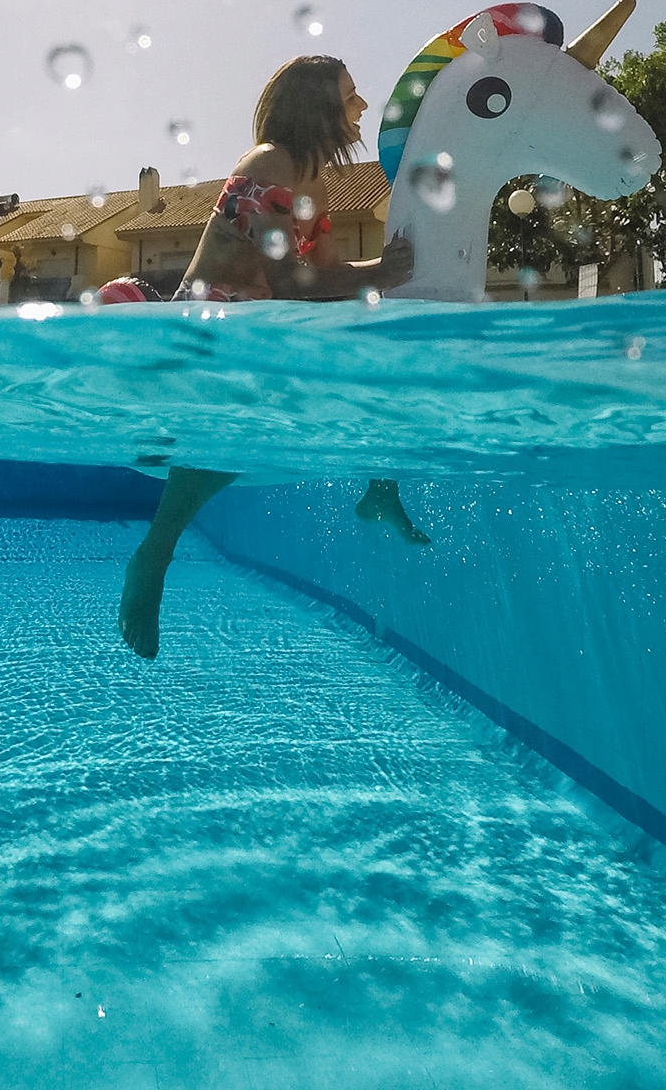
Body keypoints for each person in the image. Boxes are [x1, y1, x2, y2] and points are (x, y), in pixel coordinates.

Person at [113, 55, 431, 659]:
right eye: (350, 96)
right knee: (237, 438)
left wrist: (374, 291)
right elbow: (290, 280)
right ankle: (154, 554)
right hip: (213, 329)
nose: (362, 107)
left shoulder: (313, 181)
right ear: (318, 107)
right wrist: (379, 271)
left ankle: (380, 486)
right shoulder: (267, 165)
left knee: (379, 367)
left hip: (262, 329)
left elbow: (326, 272)